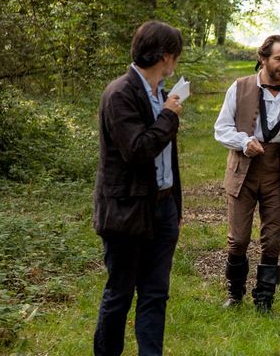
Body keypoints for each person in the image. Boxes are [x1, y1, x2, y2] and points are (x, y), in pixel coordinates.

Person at [92, 21, 184, 356]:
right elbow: (137, 149)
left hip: (162, 208)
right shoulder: (120, 93)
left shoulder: (160, 93)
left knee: (155, 292)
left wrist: (175, 206)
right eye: (175, 56)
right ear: (164, 56)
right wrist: (169, 118)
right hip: (126, 210)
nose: (175, 64)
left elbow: (167, 158)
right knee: (120, 293)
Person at [213, 34, 280, 313]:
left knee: (273, 239)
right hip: (243, 169)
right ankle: (235, 295)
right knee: (239, 238)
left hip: (276, 170)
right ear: (263, 58)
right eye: (279, 58)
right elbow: (221, 129)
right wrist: (244, 142)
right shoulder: (240, 87)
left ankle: (264, 299)